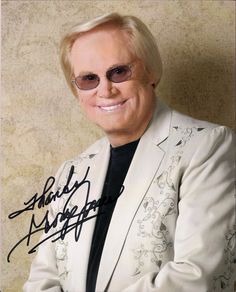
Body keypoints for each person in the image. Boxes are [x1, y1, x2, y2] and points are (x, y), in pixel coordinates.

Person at [23, 13, 235, 292]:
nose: (105, 90)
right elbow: (42, 280)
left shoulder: (206, 146)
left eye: (119, 72)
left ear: (150, 72)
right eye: (88, 79)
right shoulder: (72, 172)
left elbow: (198, 277)